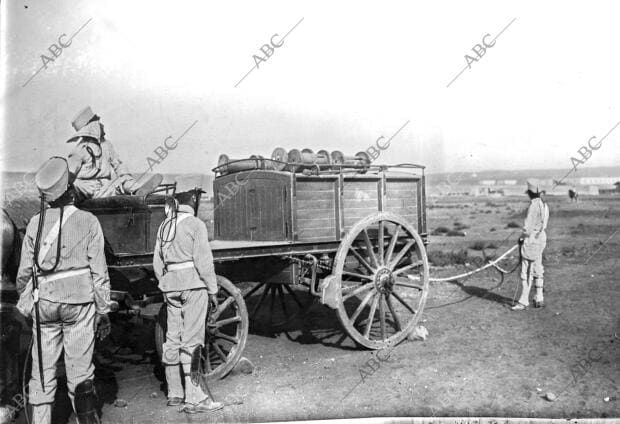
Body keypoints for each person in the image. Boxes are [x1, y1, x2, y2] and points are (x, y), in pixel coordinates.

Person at [15, 157, 113, 424]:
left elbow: (24, 273)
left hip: (44, 304)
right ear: (70, 189)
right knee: (80, 373)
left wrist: (27, 297)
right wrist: (103, 310)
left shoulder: (35, 223)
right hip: (79, 304)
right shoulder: (89, 221)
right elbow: (99, 273)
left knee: (43, 374)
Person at [153, 190, 223, 414]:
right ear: (193, 202)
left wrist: (165, 281)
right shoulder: (195, 224)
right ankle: (195, 398)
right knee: (192, 340)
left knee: (172, 338)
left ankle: (175, 393)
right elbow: (203, 261)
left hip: (170, 286)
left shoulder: (165, 226)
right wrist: (212, 289)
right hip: (193, 286)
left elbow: (157, 261)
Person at [66, 106, 161, 201]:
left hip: (105, 185)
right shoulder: (79, 150)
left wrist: (127, 179)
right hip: (88, 189)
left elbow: (118, 165)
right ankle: (129, 193)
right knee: (81, 185)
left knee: (121, 180)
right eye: (99, 124)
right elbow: (69, 174)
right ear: (94, 126)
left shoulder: (106, 145)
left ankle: (136, 190)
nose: (102, 125)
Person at [512, 180, 550, 310]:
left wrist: (521, 238)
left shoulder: (533, 206)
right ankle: (539, 298)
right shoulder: (544, 204)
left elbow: (527, 229)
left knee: (526, 270)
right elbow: (543, 225)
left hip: (531, 240)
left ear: (530, 193)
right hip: (541, 238)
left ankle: (523, 301)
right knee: (537, 267)